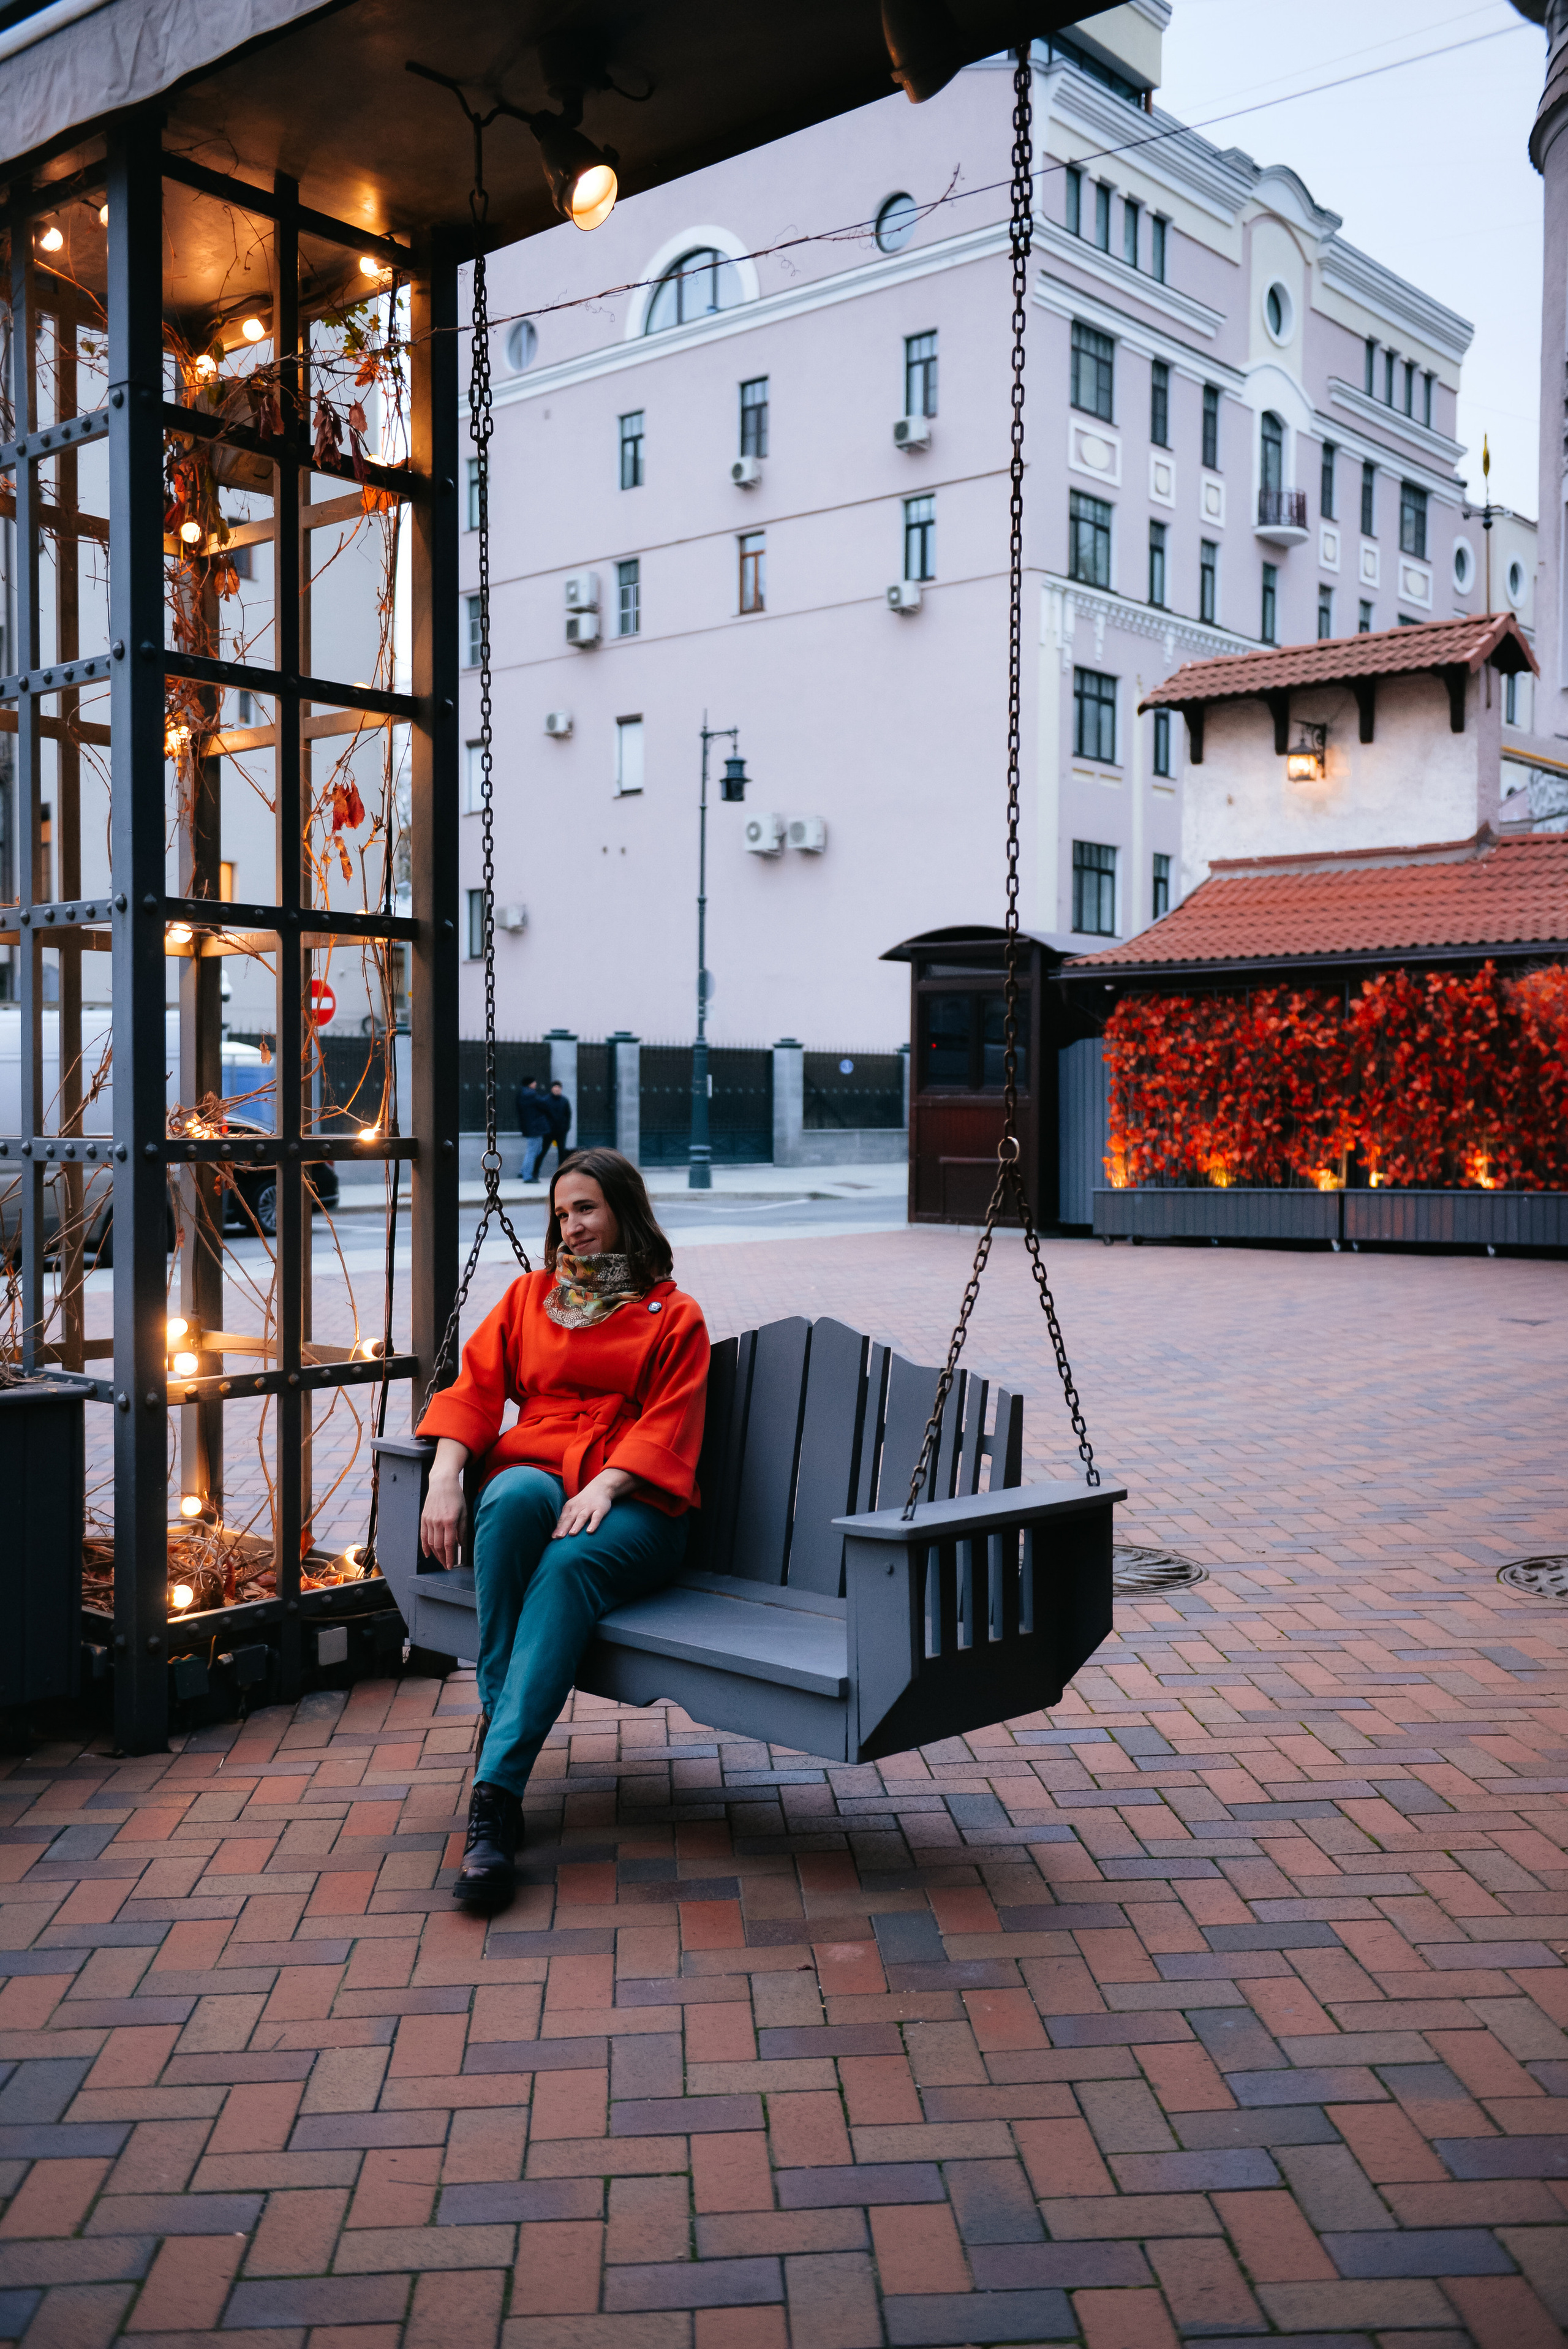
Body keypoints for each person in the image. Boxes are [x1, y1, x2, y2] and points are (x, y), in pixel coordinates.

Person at [417, 1148, 709, 1911]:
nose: (569, 1227)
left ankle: (494, 1795)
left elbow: (673, 1420)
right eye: (559, 1214)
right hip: (543, 1471)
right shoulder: (530, 1297)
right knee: (510, 1494)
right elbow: (475, 1389)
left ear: (622, 1211)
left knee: (567, 1564)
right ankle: (505, 1730)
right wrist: (447, 1476)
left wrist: (609, 1485)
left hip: (637, 1501)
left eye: (584, 1209)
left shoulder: (674, 1314)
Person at [516, 1076, 553, 1183]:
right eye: (534, 1082)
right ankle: (527, 1176)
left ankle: (523, 1171)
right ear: (530, 1084)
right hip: (535, 1127)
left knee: (533, 1150)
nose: (536, 1084)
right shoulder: (531, 1094)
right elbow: (543, 1104)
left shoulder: (522, 1094)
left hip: (528, 1126)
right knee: (533, 1151)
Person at [544, 1078, 573, 1178]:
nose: (557, 1090)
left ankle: (561, 1173)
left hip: (561, 1131)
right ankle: (534, 1173)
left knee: (562, 1152)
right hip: (549, 1132)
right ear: (552, 1089)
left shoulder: (564, 1101)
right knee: (543, 1151)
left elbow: (568, 1114)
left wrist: (566, 1127)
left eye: (559, 1088)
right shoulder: (546, 1100)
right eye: (555, 1088)